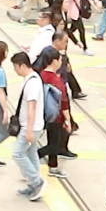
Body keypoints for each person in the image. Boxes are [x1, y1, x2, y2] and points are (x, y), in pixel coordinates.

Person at [11, 52, 46, 201]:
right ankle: (33, 185)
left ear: (22, 65)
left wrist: (29, 130)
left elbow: (32, 107)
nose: (14, 70)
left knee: (17, 153)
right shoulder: (31, 78)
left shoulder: (32, 83)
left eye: (15, 67)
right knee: (31, 154)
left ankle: (37, 182)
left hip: (31, 126)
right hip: (31, 125)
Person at [37, 48, 72, 179]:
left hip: (43, 113)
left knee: (53, 140)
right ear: (54, 61)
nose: (61, 62)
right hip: (56, 116)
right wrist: (67, 119)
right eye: (60, 60)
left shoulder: (40, 75)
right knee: (55, 144)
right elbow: (63, 102)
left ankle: (53, 166)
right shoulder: (56, 80)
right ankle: (34, 156)